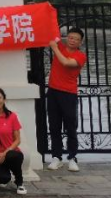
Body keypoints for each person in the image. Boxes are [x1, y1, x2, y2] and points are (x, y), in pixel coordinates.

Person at [46, 27, 87, 172]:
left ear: (80, 42)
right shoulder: (60, 47)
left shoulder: (80, 56)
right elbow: (50, 32)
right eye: (70, 37)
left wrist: (54, 48)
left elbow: (66, 63)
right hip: (53, 92)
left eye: (76, 39)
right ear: (66, 38)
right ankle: (56, 157)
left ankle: (72, 157)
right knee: (54, 126)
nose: (72, 40)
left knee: (70, 126)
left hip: (69, 94)